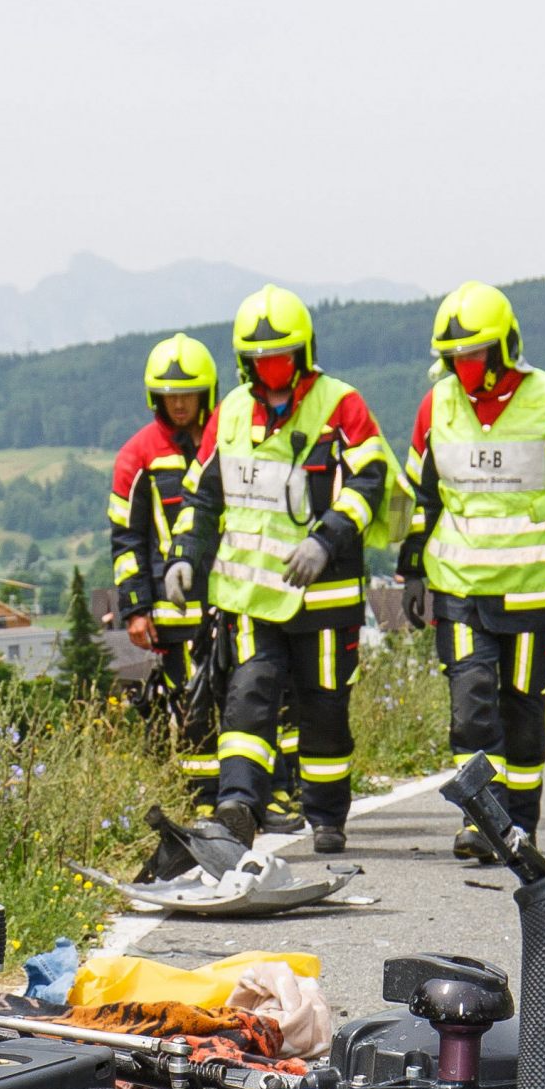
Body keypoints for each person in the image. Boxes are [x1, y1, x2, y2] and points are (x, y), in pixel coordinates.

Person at [165, 286, 393, 859]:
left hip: (324, 596)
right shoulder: (231, 413)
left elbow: (371, 481)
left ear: (302, 355)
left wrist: (327, 538)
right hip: (249, 595)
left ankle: (326, 812)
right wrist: (185, 556)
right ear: (245, 363)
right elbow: (202, 497)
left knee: (324, 707)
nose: (271, 370)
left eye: (281, 359)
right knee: (249, 693)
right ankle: (237, 805)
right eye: (261, 361)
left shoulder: (341, 404)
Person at [396, 281, 545, 850]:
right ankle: (481, 822)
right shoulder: (435, 405)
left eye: (475, 354)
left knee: (524, 716)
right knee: (471, 708)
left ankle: (522, 825)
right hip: (460, 588)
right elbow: (420, 495)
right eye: (456, 357)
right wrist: (411, 568)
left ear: (502, 348)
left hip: (534, 593)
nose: (465, 367)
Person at [107, 334, 224, 800]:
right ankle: (202, 802)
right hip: (171, 617)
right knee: (191, 709)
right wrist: (135, 608)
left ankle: (250, 797)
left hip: (229, 605)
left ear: (206, 393)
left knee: (244, 703)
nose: (179, 405)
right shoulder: (137, 455)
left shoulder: (227, 440)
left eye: (188, 394)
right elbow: (126, 540)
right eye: (171, 396)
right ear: (156, 397)